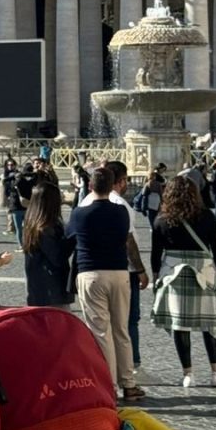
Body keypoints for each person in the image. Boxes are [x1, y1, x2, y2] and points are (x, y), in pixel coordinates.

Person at [68, 168, 146, 402]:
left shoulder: (79, 214)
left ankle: (108, 386)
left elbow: (68, 238)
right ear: (113, 185)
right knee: (122, 330)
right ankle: (129, 384)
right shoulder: (122, 211)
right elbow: (128, 241)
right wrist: (140, 270)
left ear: (90, 187)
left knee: (100, 332)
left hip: (91, 272)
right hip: (119, 272)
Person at [150, 176, 216, 388]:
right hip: (203, 272)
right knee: (210, 323)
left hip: (173, 272)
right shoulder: (207, 216)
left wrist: (156, 275)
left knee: (180, 325)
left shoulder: (162, 219)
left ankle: (188, 373)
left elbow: (156, 252)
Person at [22, 183, 75, 309]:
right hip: (51, 290)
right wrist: (73, 238)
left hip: (39, 288)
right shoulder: (45, 228)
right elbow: (57, 256)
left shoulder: (32, 223)